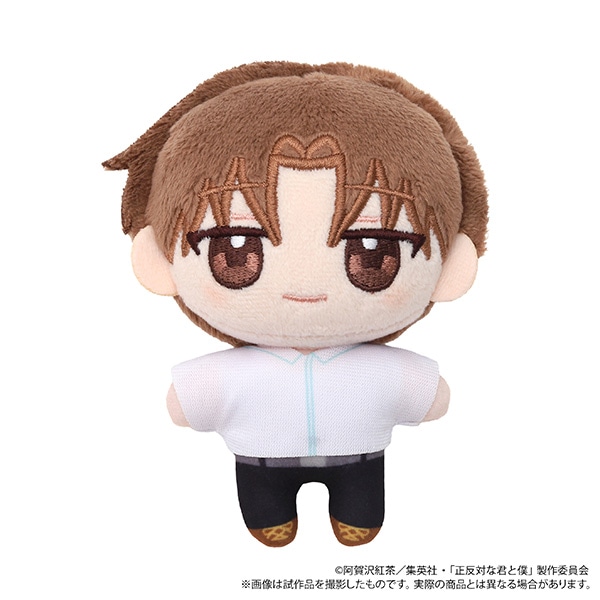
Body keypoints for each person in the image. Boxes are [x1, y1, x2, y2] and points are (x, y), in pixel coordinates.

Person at [104, 62, 488, 546]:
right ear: (159, 262)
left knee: (360, 511)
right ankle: (275, 519)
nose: (305, 285)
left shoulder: (377, 369)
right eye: (235, 251)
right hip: (262, 466)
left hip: (358, 464)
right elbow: (435, 401)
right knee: (267, 510)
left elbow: (180, 408)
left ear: (450, 268)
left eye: (373, 252)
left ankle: (353, 519)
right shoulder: (236, 373)